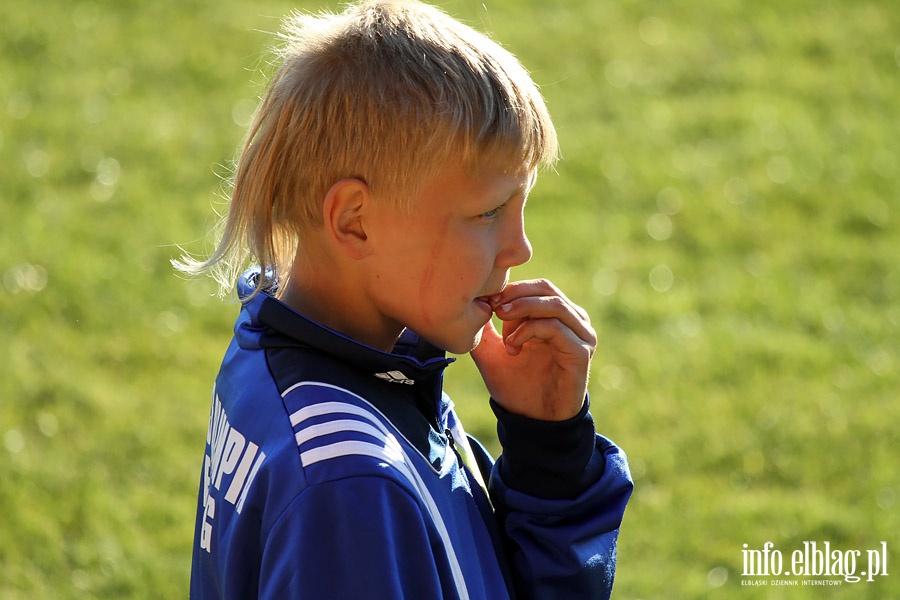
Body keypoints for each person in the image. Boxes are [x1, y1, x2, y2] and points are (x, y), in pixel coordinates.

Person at [179, 1, 633, 598]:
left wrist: (549, 451)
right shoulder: (351, 484)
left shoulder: (342, 361)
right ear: (356, 222)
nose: (520, 248)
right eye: (488, 213)